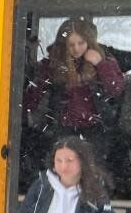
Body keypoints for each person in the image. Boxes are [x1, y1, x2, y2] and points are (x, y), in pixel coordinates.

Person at [25, 17, 125, 179]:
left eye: (81, 43)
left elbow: (116, 88)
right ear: (63, 45)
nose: (76, 49)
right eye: (71, 45)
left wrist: (100, 64)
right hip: (59, 127)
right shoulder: (50, 64)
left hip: (95, 128)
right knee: (60, 172)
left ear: (89, 42)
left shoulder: (102, 59)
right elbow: (34, 94)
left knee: (92, 173)